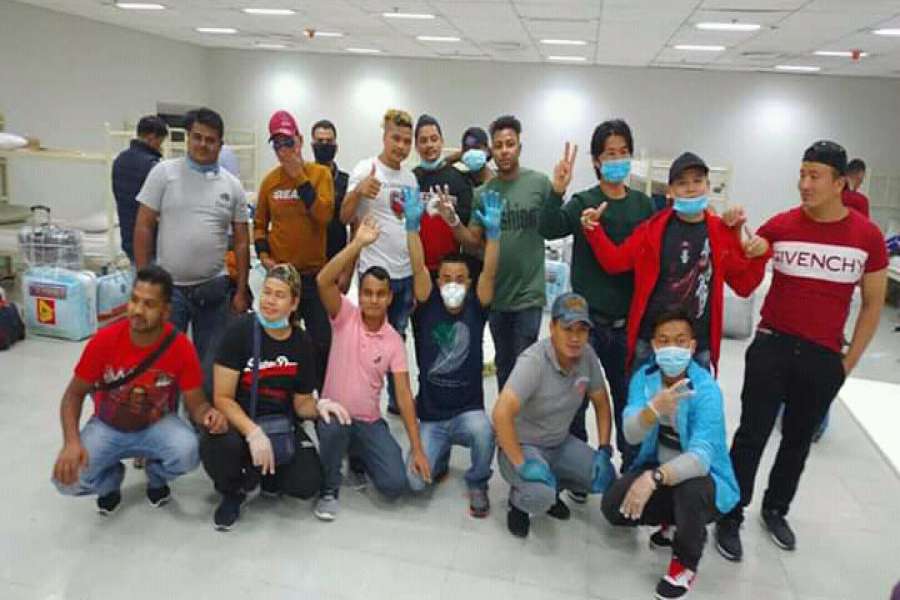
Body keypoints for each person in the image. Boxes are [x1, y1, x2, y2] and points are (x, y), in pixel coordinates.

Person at [715, 140, 888, 561]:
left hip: (822, 356)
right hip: (773, 345)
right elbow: (746, 273)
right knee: (751, 434)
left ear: (840, 183)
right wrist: (737, 236)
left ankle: (776, 509)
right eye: (802, 174)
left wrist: (847, 364)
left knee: (797, 439)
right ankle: (730, 513)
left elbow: (873, 305)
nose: (805, 184)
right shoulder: (782, 225)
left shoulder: (867, 237)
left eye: (815, 176)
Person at [51, 266, 228, 514]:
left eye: (149, 304)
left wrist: (209, 415)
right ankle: (110, 481)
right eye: (134, 300)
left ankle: (156, 476)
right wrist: (71, 442)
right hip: (106, 427)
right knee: (66, 481)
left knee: (188, 452)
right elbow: (73, 395)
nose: (137, 310)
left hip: (157, 425)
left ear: (166, 311)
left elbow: (196, 404)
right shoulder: (104, 340)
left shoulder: (180, 347)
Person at [581, 151, 771, 375]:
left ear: (708, 186)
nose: (691, 188)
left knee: (697, 398)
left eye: (697, 181)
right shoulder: (650, 231)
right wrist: (594, 230)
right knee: (643, 397)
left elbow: (744, 285)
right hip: (651, 342)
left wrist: (761, 255)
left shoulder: (721, 233)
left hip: (697, 345)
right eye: (682, 183)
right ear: (670, 191)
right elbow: (615, 262)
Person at [539, 118, 655, 480]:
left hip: (626, 326)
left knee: (627, 400)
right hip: (585, 324)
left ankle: (629, 472)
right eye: (609, 154)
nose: (617, 160)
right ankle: (578, 470)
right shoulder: (585, 202)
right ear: (596, 161)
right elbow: (548, 228)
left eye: (623, 153)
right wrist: (557, 190)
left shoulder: (643, 205)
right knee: (575, 400)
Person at [200, 263, 349, 530]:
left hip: (279, 425)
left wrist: (320, 406)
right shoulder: (239, 332)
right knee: (217, 444)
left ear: (294, 303)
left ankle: (265, 474)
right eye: (267, 292)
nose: (269, 301)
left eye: (279, 295)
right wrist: (252, 432)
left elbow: (301, 403)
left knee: (306, 484)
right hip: (240, 422)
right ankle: (233, 492)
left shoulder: (301, 342)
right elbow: (222, 397)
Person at [601, 310, 739, 600]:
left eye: (680, 340)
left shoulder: (706, 390)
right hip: (659, 465)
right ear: (653, 345)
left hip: (703, 480)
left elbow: (701, 457)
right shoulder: (644, 378)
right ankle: (674, 520)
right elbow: (631, 434)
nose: (672, 347)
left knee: (690, 490)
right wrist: (652, 410)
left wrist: (653, 478)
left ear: (692, 346)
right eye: (663, 340)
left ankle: (685, 563)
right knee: (614, 506)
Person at [313, 216, 430, 521]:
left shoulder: (393, 341)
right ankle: (329, 488)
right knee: (334, 429)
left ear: (390, 298)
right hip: (334, 414)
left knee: (394, 485)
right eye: (367, 292)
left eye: (380, 294)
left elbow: (404, 396)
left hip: (368, 420)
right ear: (359, 294)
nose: (373, 300)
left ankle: (357, 455)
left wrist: (417, 448)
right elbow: (323, 280)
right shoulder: (344, 316)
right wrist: (358, 244)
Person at [403, 185, 502, 517]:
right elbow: (418, 267)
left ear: (469, 283)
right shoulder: (427, 301)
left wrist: (494, 236)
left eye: (460, 278)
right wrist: (412, 227)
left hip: (467, 412)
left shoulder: (477, 304)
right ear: (438, 280)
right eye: (446, 278)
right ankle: (441, 456)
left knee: (485, 432)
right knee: (415, 483)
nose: (453, 284)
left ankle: (478, 481)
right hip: (431, 416)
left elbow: (490, 271)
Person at [134, 107, 251, 369]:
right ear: (188, 137)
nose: (203, 144)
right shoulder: (163, 174)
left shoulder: (232, 186)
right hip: (169, 290)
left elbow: (242, 241)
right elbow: (143, 226)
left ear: (220, 144)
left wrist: (241, 290)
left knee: (209, 369)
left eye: (211, 140)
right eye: (197, 137)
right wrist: (143, 280)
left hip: (214, 290)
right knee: (163, 365)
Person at [492, 292, 614, 538]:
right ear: (552, 327)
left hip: (559, 443)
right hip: (522, 445)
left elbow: (601, 402)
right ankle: (519, 503)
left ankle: (553, 489)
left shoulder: (587, 356)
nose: (575, 338)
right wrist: (521, 463)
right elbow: (500, 413)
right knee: (539, 495)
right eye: (567, 328)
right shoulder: (533, 361)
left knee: (604, 476)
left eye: (582, 330)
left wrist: (604, 448)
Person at [468, 115, 576, 392]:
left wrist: (558, 191)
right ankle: (506, 415)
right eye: (499, 145)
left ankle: (524, 416)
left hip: (529, 294)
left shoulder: (539, 183)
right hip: (497, 294)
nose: (504, 150)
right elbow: (472, 242)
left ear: (519, 147)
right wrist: (452, 221)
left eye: (510, 144)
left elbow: (554, 225)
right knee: (504, 363)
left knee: (526, 364)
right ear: (491, 150)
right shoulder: (483, 193)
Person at [339, 109, 418, 414]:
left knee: (397, 338)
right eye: (396, 138)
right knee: (369, 339)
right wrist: (358, 191)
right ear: (384, 136)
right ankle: (365, 400)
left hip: (405, 272)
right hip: (374, 272)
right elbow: (345, 217)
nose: (401, 146)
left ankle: (397, 401)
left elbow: (410, 224)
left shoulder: (410, 178)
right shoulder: (366, 168)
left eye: (406, 141)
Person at [254, 110, 335, 386]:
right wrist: (264, 256)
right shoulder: (270, 182)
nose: (284, 150)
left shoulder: (320, 174)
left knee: (322, 341)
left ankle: (322, 396)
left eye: (288, 143)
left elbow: (324, 216)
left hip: (313, 276)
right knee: (280, 340)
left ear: (299, 141)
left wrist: (299, 177)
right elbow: (259, 225)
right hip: (281, 277)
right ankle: (286, 396)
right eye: (277, 145)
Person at [411, 114, 478, 276]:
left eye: (434, 139)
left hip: (451, 270)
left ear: (442, 141)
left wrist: (450, 216)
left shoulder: (460, 178)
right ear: (416, 146)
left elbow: (469, 232)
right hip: (417, 268)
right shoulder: (411, 179)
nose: (429, 145)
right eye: (423, 140)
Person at [111, 115, 168, 262]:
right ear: (151, 138)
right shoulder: (153, 167)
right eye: (160, 142)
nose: (160, 147)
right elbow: (161, 207)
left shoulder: (119, 160)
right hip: (150, 242)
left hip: (128, 238)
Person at [310, 119, 351, 266]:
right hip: (309, 259)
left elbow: (352, 222)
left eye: (329, 141)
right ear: (312, 146)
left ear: (336, 147)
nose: (324, 145)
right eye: (320, 141)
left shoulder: (346, 181)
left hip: (337, 258)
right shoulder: (304, 179)